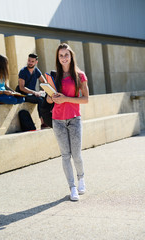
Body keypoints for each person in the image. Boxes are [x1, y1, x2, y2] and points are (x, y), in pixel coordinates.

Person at [47, 43, 89, 201]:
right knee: (65, 155)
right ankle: (72, 188)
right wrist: (52, 97)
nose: (64, 58)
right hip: (57, 120)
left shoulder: (80, 75)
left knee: (76, 154)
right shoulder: (54, 76)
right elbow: (48, 99)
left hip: (74, 119)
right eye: (61, 55)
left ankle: (81, 179)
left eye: (66, 55)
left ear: (71, 56)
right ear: (58, 58)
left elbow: (85, 99)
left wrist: (65, 99)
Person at [18, 53, 48, 129]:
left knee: (47, 98)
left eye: (32, 61)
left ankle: (49, 120)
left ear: (36, 62)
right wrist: (35, 92)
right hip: (24, 95)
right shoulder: (23, 71)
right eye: (29, 61)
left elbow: (44, 82)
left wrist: (42, 91)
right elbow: (21, 87)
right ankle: (43, 122)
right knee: (40, 100)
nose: (30, 63)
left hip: (33, 94)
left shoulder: (36, 71)